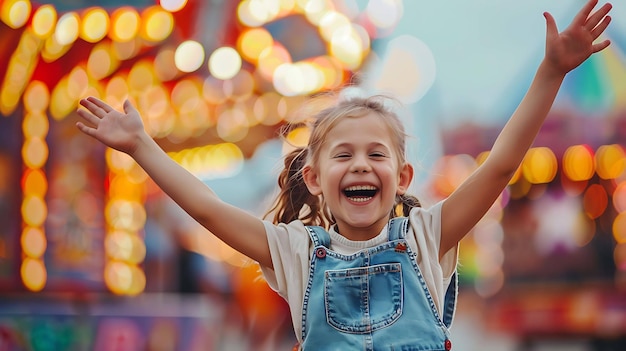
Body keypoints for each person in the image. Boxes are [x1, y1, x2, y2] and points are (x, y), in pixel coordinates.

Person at [76, 1, 613, 349]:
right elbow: (207, 209)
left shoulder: (428, 237)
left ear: (402, 177)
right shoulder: (295, 252)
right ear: (313, 178)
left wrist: (550, 73)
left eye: (376, 155)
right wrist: (141, 146)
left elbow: (499, 166)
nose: (360, 164)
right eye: (343, 155)